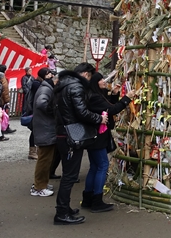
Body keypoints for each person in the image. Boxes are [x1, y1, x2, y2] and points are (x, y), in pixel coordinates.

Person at [52, 63, 107, 225]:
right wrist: (99, 119)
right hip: (72, 136)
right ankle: (61, 213)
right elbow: (82, 112)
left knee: (68, 175)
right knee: (69, 176)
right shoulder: (75, 87)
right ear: (85, 74)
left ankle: (65, 208)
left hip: (62, 134)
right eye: (89, 76)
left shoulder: (62, 86)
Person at [81, 72, 135, 213]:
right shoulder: (94, 97)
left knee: (94, 167)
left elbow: (107, 106)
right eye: (101, 80)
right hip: (98, 137)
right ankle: (97, 201)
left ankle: (88, 198)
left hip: (94, 136)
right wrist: (126, 98)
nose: (104, 81)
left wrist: (115, 95)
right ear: (94, 82)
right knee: (102, 166)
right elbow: (112, 109)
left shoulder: (94, 94)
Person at [32, 68, 58, 197]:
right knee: (44, 159)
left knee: (45, 158)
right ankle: (39, 187)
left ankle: (41, 184)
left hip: (45, 127)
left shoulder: (45, 88)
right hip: (45, 128)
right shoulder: (46, 89)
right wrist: (54, 110)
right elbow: (41, 104)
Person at [0, 64, 16, 136]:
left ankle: (5, 128)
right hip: (0, 99)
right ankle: (2, 131)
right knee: (1, 115)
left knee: (2, 115)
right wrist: (6, 100)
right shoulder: (2, 77)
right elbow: (5, 90)